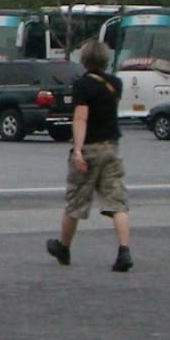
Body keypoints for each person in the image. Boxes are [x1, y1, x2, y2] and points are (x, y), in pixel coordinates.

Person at [47, 39, 133, 272]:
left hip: (91, 147)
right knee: (116, 201)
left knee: (75, 201)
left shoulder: (83, 85)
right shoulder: (115, 83)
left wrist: (77, 149)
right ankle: (124, 250)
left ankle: (63, 246)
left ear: (83, 59)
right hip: (111, 147)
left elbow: (81, 118)